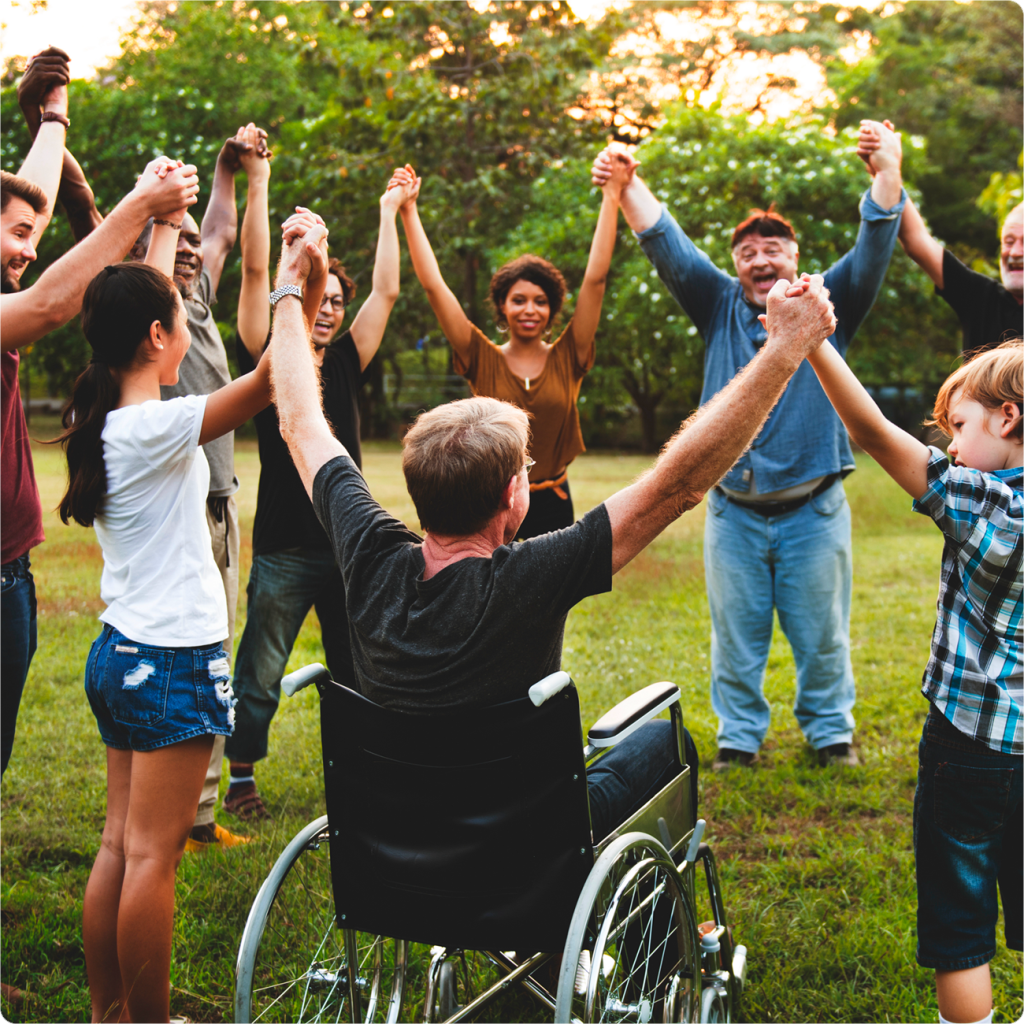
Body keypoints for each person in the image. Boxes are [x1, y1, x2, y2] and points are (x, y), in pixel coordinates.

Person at [266, 206, 838, 848]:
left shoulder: (368, 552)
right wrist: (784, 351)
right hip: (522, 839)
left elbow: (299, 422)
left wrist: (289, 281)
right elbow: (677, 485)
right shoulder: (534, 577)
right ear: (515, 495)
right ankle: (665, 935)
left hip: (395, 830)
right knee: (663, 741)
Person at [58, 209, 325, 1024]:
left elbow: (154, 299)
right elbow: (275, 380)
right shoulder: (163, 426)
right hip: (169, 660)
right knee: (154, 858)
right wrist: (289, 279)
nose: (187, 325)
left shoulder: (104, 420)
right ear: (155, 338)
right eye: (179, 317)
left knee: (118, 845)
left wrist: (167, 226)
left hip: (122, 653)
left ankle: (111, 1012)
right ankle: (148, 1019)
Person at [591, 122, 907, 770]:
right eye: (748, 253)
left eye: (773, 248)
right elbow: (664, 242)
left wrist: (887, 169)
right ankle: (739, 737)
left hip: (813, 511)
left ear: (795, 257)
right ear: (736, 267)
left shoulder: (828, 303)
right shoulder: (716, 305)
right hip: (732, 512)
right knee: (736, 640)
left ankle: (829, 734)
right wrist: (627, 181)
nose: (761, 260)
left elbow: (876, 239)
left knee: (822, 639)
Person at [804, 333, 1024, 1024]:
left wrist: (813, 342)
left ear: (1009, 419)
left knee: (961, 931)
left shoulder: (981, 503)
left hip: (969, 747)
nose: (952, 446)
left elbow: (871, 431)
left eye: (959, 426)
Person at [0, 60, 199, 795]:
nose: (31, 245)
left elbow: (33, 206)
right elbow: (56, 300)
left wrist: (53, 120)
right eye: (18, 236)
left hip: (10, 576)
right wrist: (141, 204)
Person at [222, 139, 417, 820]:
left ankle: (361, 772)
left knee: (358, 668)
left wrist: (391, 211)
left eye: (336, 299)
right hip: (283, 546)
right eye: (317, 296)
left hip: (349, 545)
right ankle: (241, 776)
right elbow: (252, 271)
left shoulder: (349, 360)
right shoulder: (272, 358)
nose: (328, 309)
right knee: (260, 672)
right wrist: (260, 181)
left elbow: (389, 288)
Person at [128, 126, 268, 851]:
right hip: (187, 513)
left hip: (223, 497)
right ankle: (182, 816)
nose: (189, 247)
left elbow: (214, 227)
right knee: (191, 654)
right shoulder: (148, 321)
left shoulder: (201, 299)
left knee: (216, 649)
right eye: (172, 239)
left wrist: (225, 168)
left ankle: (200, 814)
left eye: (190, 242)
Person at [392, 156, 631, 538]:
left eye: (540, 300)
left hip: (552, 501)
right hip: (485, 504)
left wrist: (612, 193)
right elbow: (434, 287)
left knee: (551, 600)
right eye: (518, 299)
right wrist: (408, 210)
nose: (529, 309)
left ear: (552, 309)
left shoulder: (570, 356)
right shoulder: (480, 356)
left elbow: (596, 279)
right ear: (502, 306)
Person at [861, 119, 1024, 354]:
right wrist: (887, 171)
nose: (1016, 252)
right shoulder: (982, 298)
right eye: (1009, 241)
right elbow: (916, 241)